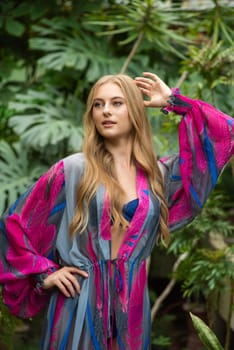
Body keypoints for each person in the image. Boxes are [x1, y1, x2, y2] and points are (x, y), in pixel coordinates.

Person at [0, 72, 233, 350]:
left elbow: (224, 134)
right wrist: (45, 272)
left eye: (116, 103)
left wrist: (173, 101)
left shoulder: (158, 176)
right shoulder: (74, 169)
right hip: (79, 302)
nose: (106, 111)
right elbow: (15, 225)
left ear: (134, 110)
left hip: (132, 307)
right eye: (98, 105)